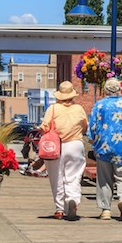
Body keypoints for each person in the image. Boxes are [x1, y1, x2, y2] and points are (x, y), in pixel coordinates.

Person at [87, 78, 122, 221]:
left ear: (105, 90)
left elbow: (92, 126)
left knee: (104, 178)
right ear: (119, 90)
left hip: (103, 146)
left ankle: (105, 210)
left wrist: (93, 140)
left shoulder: (99, 105)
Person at [40, 81, 87, 220]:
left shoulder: (53, 109)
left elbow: (44, 127)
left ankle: (60, 209)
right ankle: (72, 200)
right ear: (72, 95)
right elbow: (85, 127)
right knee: (73, 176)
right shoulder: (79, 108)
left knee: (57, 178)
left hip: (56, 146)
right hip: (75, 144)